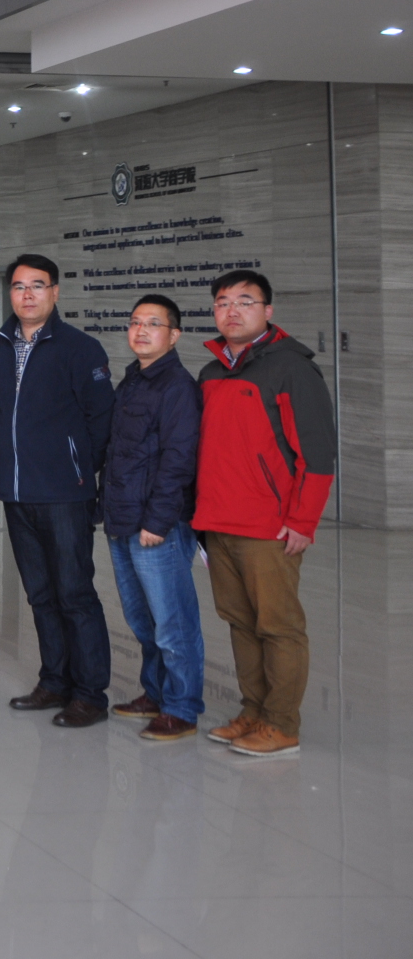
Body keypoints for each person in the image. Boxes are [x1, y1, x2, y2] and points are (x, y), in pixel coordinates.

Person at [194, 269, 336, 758]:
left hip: (268, 527)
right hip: (218, 523)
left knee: (278, 626)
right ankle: (253, 712)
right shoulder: (212, 373)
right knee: (240, 623)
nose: (231, 311)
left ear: (268, 311)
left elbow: (317, 454)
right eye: (222, 302)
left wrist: (303, 521)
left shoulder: (292, 368)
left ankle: (281, 724)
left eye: (244, 301)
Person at [0, 253, 115, 729]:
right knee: (39, 594)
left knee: (74, 593)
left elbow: (102, 419)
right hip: (17, 493)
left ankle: (90, 693)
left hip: (65, 493)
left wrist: (78, 468)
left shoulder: (81, 349)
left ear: (55, 292)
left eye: (37, 285)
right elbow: (1, 414)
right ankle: (55, 680)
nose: (28, 295)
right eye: (19, 286)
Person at [104, 294, 206, 742]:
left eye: (153, 323)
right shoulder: (133, 379)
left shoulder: (177, 387)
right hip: (123, 519)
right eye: (135, 322)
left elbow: (179, 460)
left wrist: (158, 522)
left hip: (156, 525)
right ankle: (156, 692)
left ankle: (182, 707)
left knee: (173, 621)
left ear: (174, 335)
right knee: (142, 618)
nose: (141, 330)